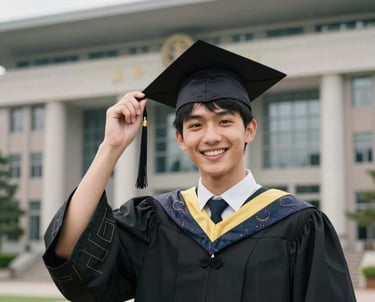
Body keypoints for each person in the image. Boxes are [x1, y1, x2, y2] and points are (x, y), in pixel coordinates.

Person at [43, 40, 356, 302]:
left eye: (224, 122)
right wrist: (111, 147)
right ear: (180, 139)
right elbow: (72, 253)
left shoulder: (298, 224)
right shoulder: (154, 221)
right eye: (196, 125)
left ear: (249, 130)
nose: (211, 137)